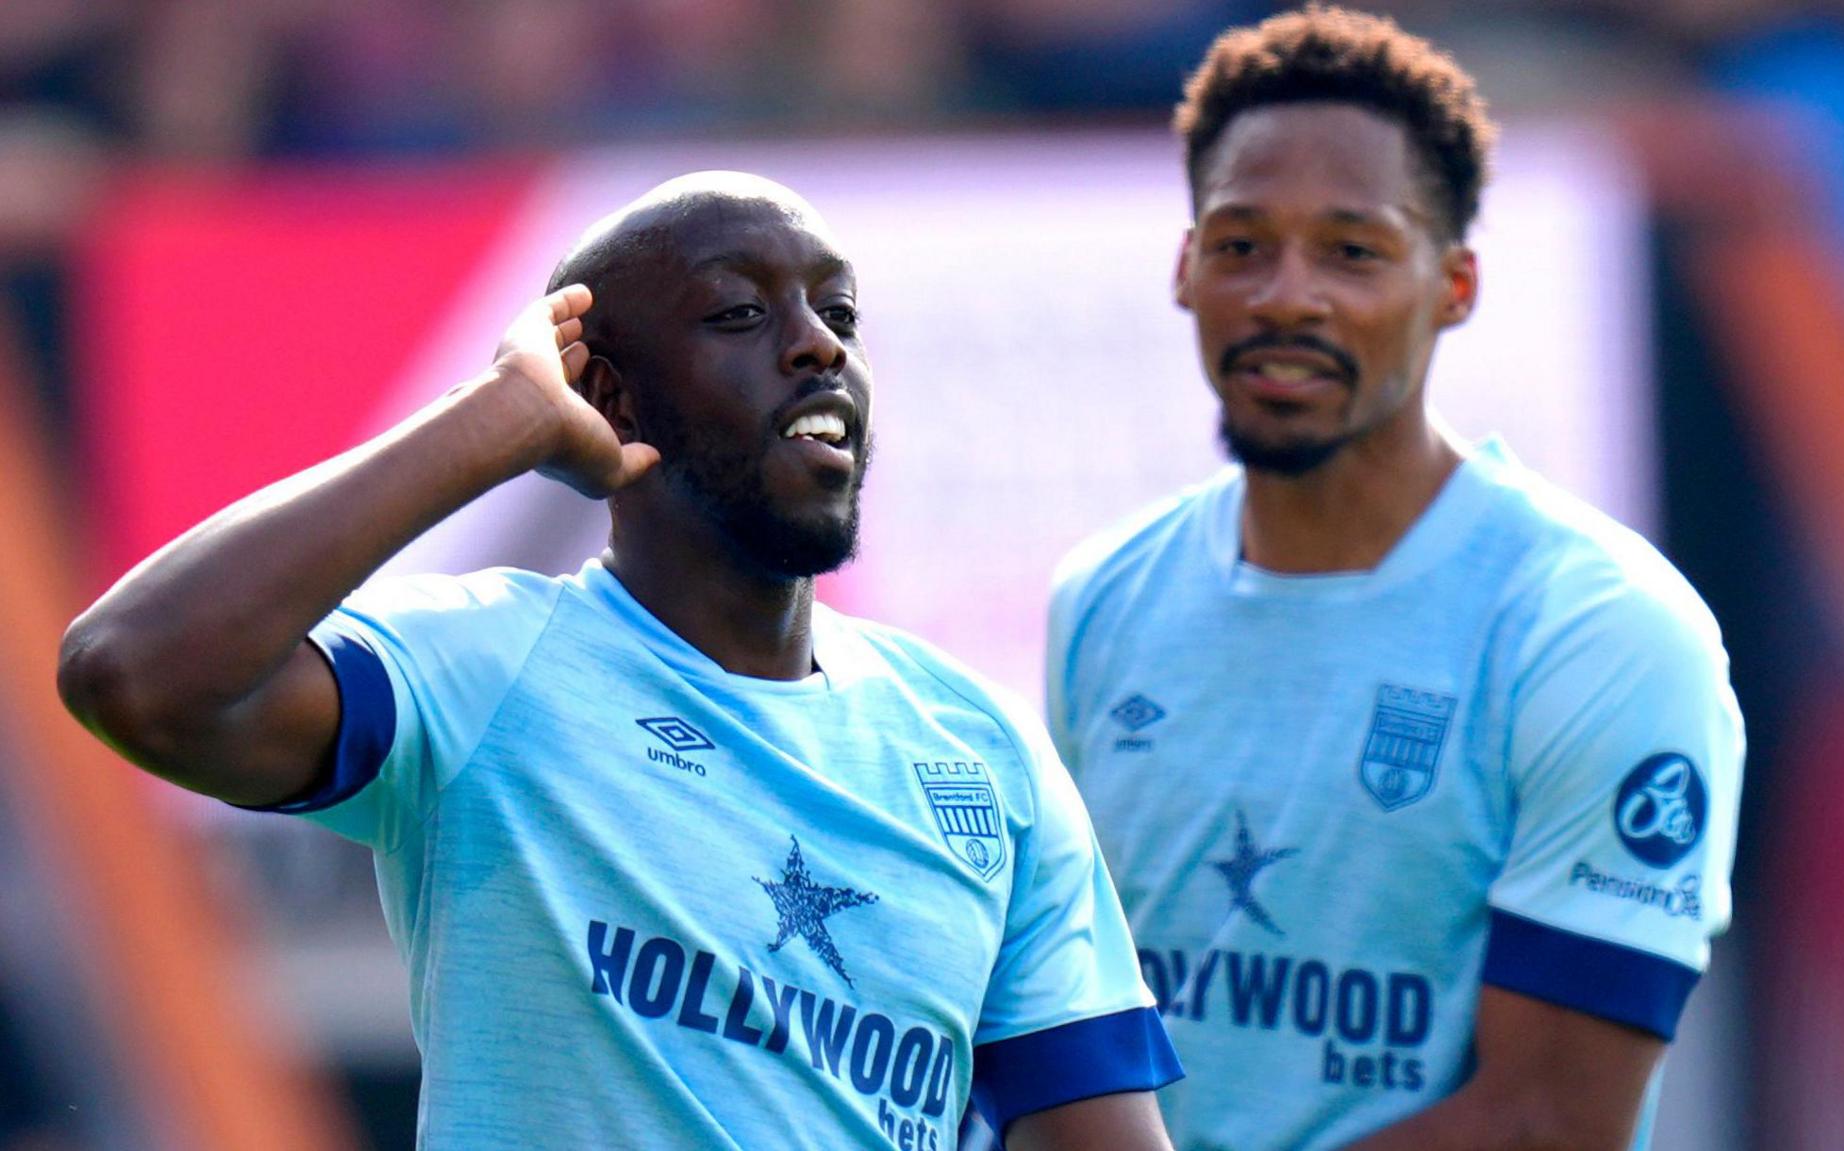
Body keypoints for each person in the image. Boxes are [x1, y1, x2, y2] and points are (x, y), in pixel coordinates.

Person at [60, 173, 1181, 1150]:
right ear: (605, 393)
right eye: (741, 312)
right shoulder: (483, 667)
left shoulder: (980, 750)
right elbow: (133, 671)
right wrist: (488, 418)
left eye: (837, 310)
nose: (818, 343)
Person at [1044, 9, 1744, 1151]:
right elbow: (1074, 1032)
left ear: (1454, 283)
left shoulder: (1599, 629)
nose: (1285, 295)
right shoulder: (1103, 598)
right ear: (1183, 269)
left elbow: (1549, 1122)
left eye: (1351, 250)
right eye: (1239, 243)